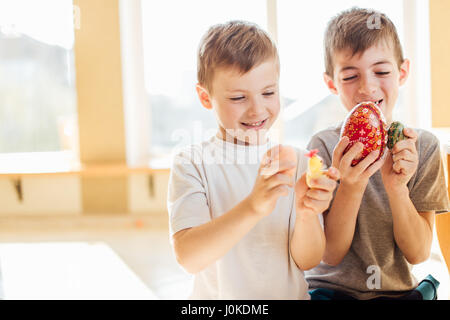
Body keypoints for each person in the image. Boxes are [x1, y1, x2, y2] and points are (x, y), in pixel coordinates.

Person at [167, 20, 339, 299]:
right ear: (204, 97)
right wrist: (253, 206)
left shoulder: (297, 162)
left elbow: (307, 260)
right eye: (238, 97)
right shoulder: (192, 163)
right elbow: (189, 258)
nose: (257, 109)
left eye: (269, 93)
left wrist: (307, 215)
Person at [305, 7, 450, 300]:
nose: (367, 87)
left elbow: (419, 253)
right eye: (349, 77)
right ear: (331, 83)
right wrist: (351, 185)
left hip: (398, 292)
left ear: (403, 72)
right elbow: (330, 254)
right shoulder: (322, 145)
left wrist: (397, 188)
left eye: (381, 71)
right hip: (330, 292)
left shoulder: (423, 147)